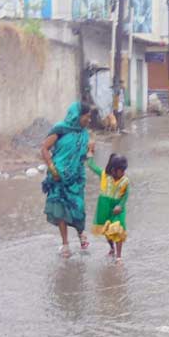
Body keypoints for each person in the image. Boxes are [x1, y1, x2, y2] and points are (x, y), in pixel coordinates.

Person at [40, 102, 94, 258]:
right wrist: (52, 168)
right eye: (87, 117)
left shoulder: (84, 133)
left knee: (78, 207)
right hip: (57, 176)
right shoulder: (60, 129)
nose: (89, 120)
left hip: (76, 178)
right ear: (78, 116)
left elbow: (83, 156)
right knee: (61, 210)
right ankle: (65, 244)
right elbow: (44, 148)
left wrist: (89, 151)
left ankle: (81, 234)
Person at [88, 152, 130, 262]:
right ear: (113, 170)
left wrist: (120, 205)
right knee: (107, 231)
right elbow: (91, 165)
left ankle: (119, 257)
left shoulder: (125, 180)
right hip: (105, 207)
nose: (123, 172)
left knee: (118, 230)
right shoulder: (104, 176)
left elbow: (126, 195)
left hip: (118, 209)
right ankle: (112, 248)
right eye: (121, 170)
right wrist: (90, 154)